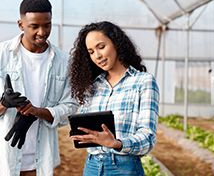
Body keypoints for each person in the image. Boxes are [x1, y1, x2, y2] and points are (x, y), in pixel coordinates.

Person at [0, 0, 77, 176]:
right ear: (21, 24)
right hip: (2, 159)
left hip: (40, 161)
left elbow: (70, 107)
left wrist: (37, 112)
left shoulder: (64, 61)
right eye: (34, 26)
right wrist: (3, 103)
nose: (42, 31)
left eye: (47, 25)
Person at [68, 21, 159, 176]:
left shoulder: (143, 82)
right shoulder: (93, 86)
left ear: (116, 44)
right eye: (91, 52)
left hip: (124, 168)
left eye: (101, 47)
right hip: (92, 166)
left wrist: (116, 143)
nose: (97, 56)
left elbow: (148, 137)